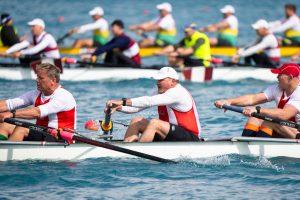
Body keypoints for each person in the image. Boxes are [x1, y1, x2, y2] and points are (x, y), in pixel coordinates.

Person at [104, 67, 201, 142]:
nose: (157, 82)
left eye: (161, 80)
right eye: (157, 80)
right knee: (137, 121)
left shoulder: (177, 92)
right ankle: (128, 146)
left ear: (173, 81)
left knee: (155, 123)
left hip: (190, 137)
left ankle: (139, 150)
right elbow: (136, 109)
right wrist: (118, 107)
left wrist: (122, 101)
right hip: (170, 134)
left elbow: (149, 101)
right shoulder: (163, 93)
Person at [215, 63, 300, 139]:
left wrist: (257, 110)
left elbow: (284, 114)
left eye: (280, 74)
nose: (277, 77)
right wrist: (229, 101)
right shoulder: (277, 88)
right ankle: (246, 147)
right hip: (288, 129)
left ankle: (259, 150)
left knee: (269, 121)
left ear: (290, 78)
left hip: (297, 132)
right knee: (254, 118)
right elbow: (253, 99)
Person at [0, 63, 76, 141]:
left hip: (60, 137)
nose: (37, 80)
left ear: (53, 80)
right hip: (41, 132)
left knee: (21, 128)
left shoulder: (63, 96)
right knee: (4, 125)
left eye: (40, 78)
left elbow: (37, 112)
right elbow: (10, 104)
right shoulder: (35, 94)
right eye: (37, 77)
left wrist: (11, 114)